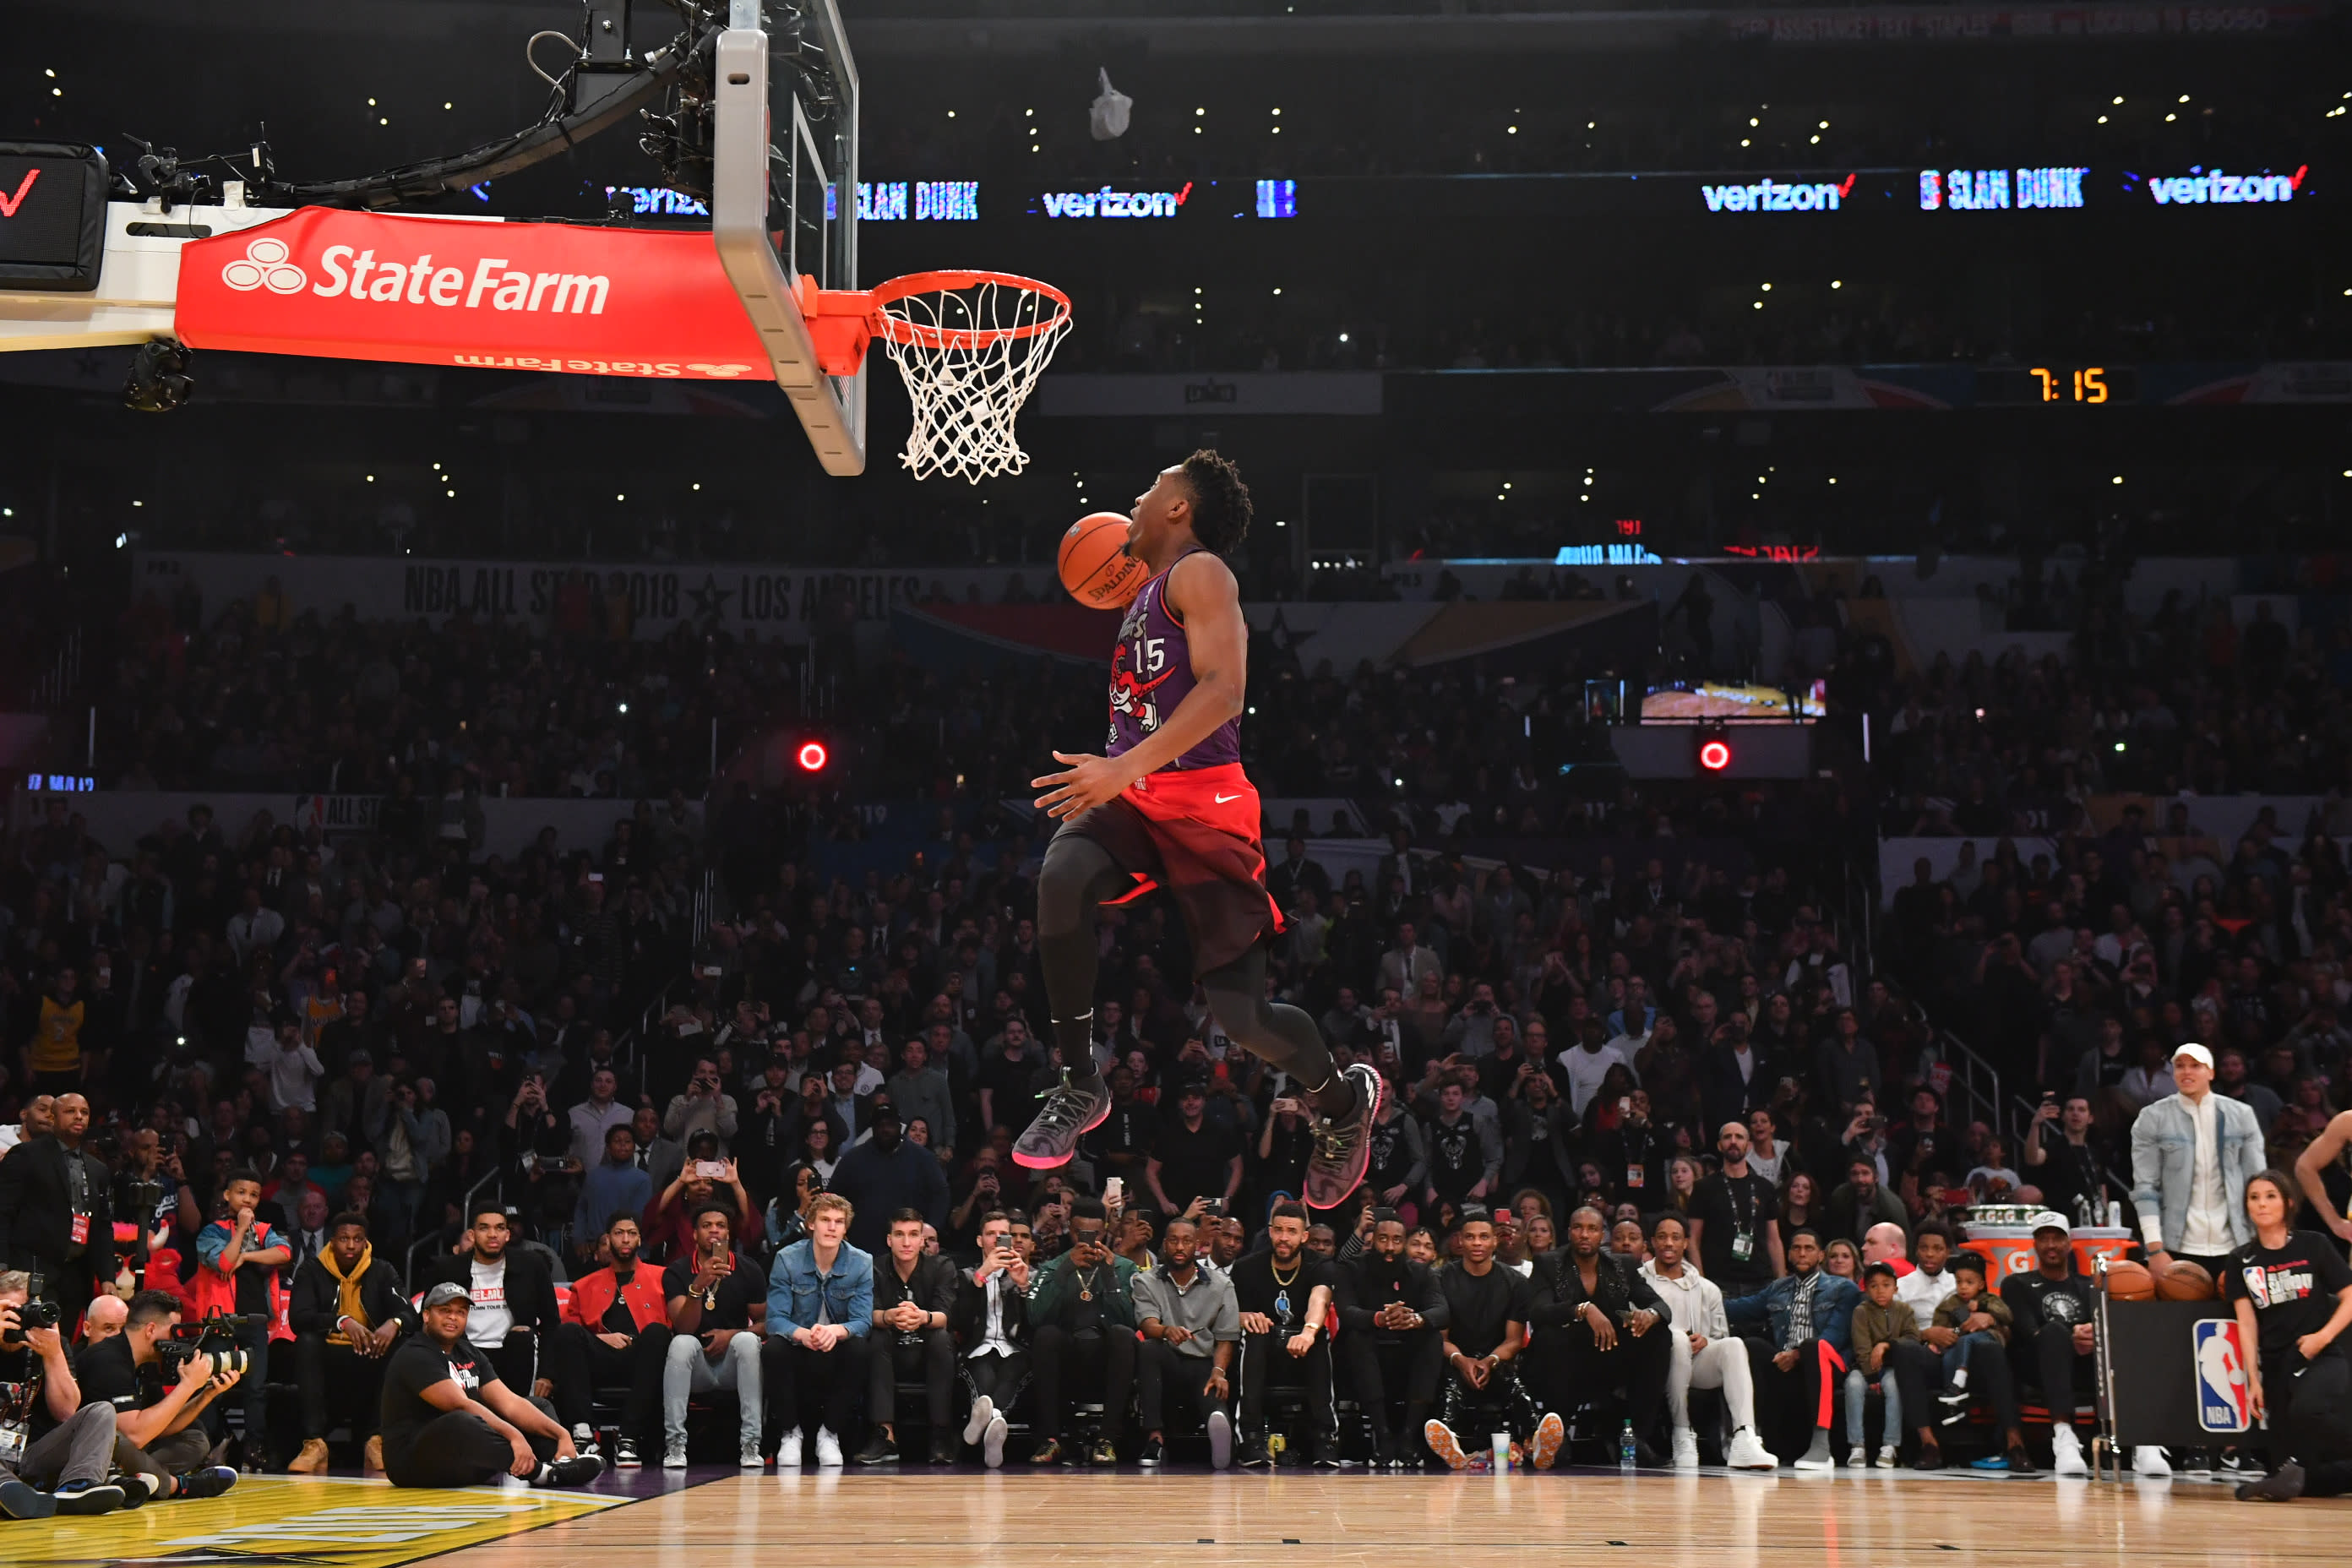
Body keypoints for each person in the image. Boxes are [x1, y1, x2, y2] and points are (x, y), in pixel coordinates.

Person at [1009, 454, 1384, 1213]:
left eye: (1153, 488)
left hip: (1204, 807)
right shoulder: (1141, 592)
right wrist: (1123, 774)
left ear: (1180, 510)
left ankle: (1342, 1105)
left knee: (1242, 1017)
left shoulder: (1203, 572)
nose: (1139, 496)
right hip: (1137, 795)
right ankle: (1081, 1081)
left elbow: (1225, 692)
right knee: (1060, 879)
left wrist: (1122, 768)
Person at [374, 1281, 602, 1489]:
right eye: (444, 1311)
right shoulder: (416, 1354)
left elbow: (510, 1403)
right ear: (426, 1315)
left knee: (537, 1406)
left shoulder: (468, 1352)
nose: (453, 1318)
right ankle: (538, 1472)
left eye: (460, 1312)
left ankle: (557, 1463)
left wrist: (562, 1434)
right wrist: (515, 1436)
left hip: (463, 1462)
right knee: (462, 1419)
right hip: (414, 1466)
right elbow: (459, 1405)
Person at [2225, 1169, 2352, 1502]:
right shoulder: (2241, 1259)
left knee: (2307, 1411)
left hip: (2321, 1356)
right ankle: (2284, 1482)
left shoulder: (2314, 1245)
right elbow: (2247, 1324)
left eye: (2270, 1196)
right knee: (2287, 1469)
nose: (2262, 1204)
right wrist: (2253, 1379)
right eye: (2254, 1198)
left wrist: (2322, 1337)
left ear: (2288, 1203)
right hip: (2278, 1365)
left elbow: (2351, 1297)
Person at [1528, 1205, 1668, 1468]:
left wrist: (1650, 1314)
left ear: (1602, 1235)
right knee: (1548, 1336)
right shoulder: (1549, 1263)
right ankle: (1556, 1437)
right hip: (1564, 1361)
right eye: (1579, 1228)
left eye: (1592, 1229)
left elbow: (1660, 1306)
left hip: (1610, 1358)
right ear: (1569, 1232)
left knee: (1659, 1334)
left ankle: (1637, 1436)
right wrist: (1583, 1309)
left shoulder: (1621, 1265)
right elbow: (1538, 1313)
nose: (1584, 1234)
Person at [71, 1288, 242, 1497]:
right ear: (151, 1330)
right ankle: (178, 1486)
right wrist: (186, 1386)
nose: (176, 1339)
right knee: (119, 1440)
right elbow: (135, 1437)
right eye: (173, 1331)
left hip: (124, 1450)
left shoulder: (145, 1360)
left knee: (195, 1440)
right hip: (83, 1452)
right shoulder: (106, 1359)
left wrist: (206, 1394)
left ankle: (129, 1480)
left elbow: (162, 1425)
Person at [286, 1211, 416, 1475]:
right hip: (328, 1354)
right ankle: (315, 1443)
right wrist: (341, 1321)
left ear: (366, 1241)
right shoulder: (312, 1269)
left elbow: (409, 1314)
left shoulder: (382, 1270)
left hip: (371, 1354)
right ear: (332, 1241)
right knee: (306, 1341)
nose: (351, 1245)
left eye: (358, 1239)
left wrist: (395, 1323)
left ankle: (376, 1440)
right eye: (344, 1238)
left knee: (401, 1343)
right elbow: (299, 1319)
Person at [1642, 1214, 1776, 1470]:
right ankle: (1682, 1433)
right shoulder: (1639, 1281)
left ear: (1685, 1243)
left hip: (1696, 1363)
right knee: (1678, 1339)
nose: (1668, 1243)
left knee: (1734, 1344)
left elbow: (1720, 1336)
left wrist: (1706, 1340)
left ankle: (1743, 1436)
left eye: (1676, 1237)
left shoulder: (1708, 1288)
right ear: (1652, 1243)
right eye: (1662, 1237)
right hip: (1655, 1365)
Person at [2132, 1043, 2266, 1282]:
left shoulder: (2241, 1115)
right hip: (2176, 1246)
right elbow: (2145, 1188)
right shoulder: (2152, 1117)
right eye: (2180, 1066)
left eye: (2196, 1066)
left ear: (2211, 1073)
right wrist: (2154, 1249)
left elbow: (2258, 1184)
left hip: (2237, 1242)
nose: (2187, 1072)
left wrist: (2264, 1241)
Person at [548, 1211, 672, 1467]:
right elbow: (572, 1332)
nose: (625, 1239)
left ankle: (628, 1437)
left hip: (644, 1358)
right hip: (599, 1360)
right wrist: (603, 1338)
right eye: (619, 1233)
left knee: (658, 1333)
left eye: (632, 1233)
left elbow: (674, 1324)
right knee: (568, 1333)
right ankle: (583, 1434)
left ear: (640, 1240)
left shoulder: (663, 1277)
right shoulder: (584, 1285)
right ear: (608, 1239)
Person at [1726, 1228, 1857, 1471]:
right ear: (1789, 1254)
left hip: (1827, 1364)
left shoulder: (1842, 1289)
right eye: (1796, 1248)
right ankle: (1750, 1437)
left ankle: (1821, 1445)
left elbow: (1835, 1336)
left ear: (1820, 1256)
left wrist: (1796, 1354)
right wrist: (1704, 1296)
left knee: (1813, 1346)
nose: (1802, 1253)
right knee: (1751, 1347)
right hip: (1787, 1361)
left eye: (1809, 1249)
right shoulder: (1778, 1288)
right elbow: (1739, 1308)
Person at [1023, 1195, 1136, 1467]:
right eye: (1081, 1232)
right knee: (1046, 1335)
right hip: (1067, 1359)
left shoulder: (1124, 1267)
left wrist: (1109, 1276)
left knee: (1123, 1334)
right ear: (1071, 1230)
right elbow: (1035, 1317)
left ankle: (1107, 1440)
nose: (1087, 1239)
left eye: (1095, 1233)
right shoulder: (1052, 1267)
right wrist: (1065, 1270)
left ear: (1105, 1231)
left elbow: (1131, 1320)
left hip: (1107, 1359)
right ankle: (1051, 1439)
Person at [1424, 1208, 1542, 1470]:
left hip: (1497, 1360)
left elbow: (1514, 1340)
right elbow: (1440, 1337)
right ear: (1459, 1241)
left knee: (1514, 1383)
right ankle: (1449, 1443)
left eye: (1484, 1237)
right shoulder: (1440, 1278)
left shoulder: (1515, 1282)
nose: (1477, 1243)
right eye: (1470, 1237)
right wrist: (1461, 1360)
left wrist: (1489, 1361)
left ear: (1495, 1240)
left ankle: (1536, 1440)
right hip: (1453, 1359)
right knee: (1451, 1385)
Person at [0, 1271, 125, 1514]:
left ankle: (76, 1487)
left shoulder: (53, 1343)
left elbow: (66, 1412)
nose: (19, 1319)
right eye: (11, 1311)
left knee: (101, 1411)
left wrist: (53, 1354)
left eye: (25, 1311)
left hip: (30, 1453)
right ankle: (9, 1492)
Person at [762, 1190, 871, 1467]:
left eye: (838, 1221)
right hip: (800, 1345)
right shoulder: (787, 1259)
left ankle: (829, 1434)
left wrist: (835, 1331)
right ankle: (790, 1433)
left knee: (860, 1347)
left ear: (846, 1228)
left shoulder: (861, 1262)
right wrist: (804, 1334)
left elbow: (863, 1321)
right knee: (774, 1346)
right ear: (811, 1223)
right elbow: (775, 1319)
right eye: (825, 1220)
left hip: (836, 1348)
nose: (832, 1227)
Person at [189, 1165, 288, 1470]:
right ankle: (214, 1442)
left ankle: (253, 1445)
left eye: (254, 1195)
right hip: (221, 1320)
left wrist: (247, 1255)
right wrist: (242, 1232)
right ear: (227, 1195)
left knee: (256, 1388)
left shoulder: (265, 1231)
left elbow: (284, 1253)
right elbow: (223, 1261)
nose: (248, 1200)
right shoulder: (212, 1231)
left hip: (255, 1319)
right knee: (214, 1385)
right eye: (242, 1193)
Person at [1337, 1208, 1449, 1469]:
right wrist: (1379, 1318)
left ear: (1404, 1242)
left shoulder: (1420, 1272)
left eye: (1397, 1240)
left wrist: (1415, 1319)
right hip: (1366, 1353)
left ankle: (1409, 1437)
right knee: (1356, 1336)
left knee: (1432, 1339)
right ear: (1373, 1240)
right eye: (1383, 1239)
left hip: (1406, 1355)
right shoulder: (1353, 1268)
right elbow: (1347, 1311)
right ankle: (1383, 1437)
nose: (1389, 1246)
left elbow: (1441, 1310)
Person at [0, 1092, 117, 1341]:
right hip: (31, 1269)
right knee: (27, 1346)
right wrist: (2, 1264)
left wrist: (107, 1277)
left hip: (75, 1275)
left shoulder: (98, 1170)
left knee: (62, 1348)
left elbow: (103, 1227)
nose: (79, 1117)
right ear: (53, 1117)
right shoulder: (26, 1155)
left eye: (84, 1112)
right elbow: (3, 1212)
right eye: (70, 1111)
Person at [1232, 1200, 1338, 1467]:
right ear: (1270, 1231)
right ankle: (1250, 1438)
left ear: (1304, 1236)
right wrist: (1242, 1317)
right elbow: (1227, 1314)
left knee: (1320, 1336)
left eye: (1291, 1232)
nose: (1283, 1238)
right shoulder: (1246, 1267)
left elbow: (1320, 1301)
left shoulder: (1320, 1265)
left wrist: (1309, 1331)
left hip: (1303, 1353)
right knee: (1253, 1333)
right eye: (1278, 1230)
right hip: (1260, 1353)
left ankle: (1324, 1438)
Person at [417, 1202, 561, 1397]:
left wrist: (547, 1375)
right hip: (464, 1351)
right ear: (472, 1235)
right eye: (484, 1228)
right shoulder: (447, 1268)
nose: (493, 1234)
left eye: (500, 1228)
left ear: (507, 1235)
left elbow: (551, 1322)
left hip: (513, 1353)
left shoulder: (532, 1265)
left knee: (523, 1337)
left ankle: (519, 1414)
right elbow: (425, 1321)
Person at [1130, 1214, 1239, 1469]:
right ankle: (1155, 1439)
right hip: (1167, 1361)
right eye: (1174, 1241)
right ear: (1165, 1244)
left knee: (1212, 1386)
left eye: (1187, 1241)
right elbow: (1147, 1322)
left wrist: (1219, 1371)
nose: (1180, 1247)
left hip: (1203, 1361)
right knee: (1148, 1349)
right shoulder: (1146, 1280)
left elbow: (1225, 1338)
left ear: (1198, 1244)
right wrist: (1167, 1331)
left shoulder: (1222, 1285)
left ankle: (1221, 1433)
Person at [855, 1207, 959, 1467]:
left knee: (940, 1336)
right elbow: (867, 1314)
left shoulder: (941, 1266)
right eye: (899, 1234)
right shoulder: (874, 1268)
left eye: (913, 1234)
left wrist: (923, 1317)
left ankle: (940, 1434)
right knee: (876, 1337)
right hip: (890, 1351)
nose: (906, 1241)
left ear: (922, 1240)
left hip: (928, 1351)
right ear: (889, 1239)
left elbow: (945, 1314)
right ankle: (885, 1436)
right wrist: (889, 1316)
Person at [663, 1203, 762, 1468]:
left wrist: (732, 1334)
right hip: (697, 1368)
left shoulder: (748, 1268)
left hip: (733, 1365)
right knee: (682, 1342)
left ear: (729, 1233)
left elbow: (769, 1323)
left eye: (721, 1226)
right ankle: (675, 1445)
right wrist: (697, 1287)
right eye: (707, 1226)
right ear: (694, 1234)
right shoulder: (677, 1271)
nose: (714, 1231)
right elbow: (683, 1326)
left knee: (748, 1340)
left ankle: (751, 1444)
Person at [1996, 1211, 2094, 1476]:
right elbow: (2031, 1333)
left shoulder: (2090, 1286)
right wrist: (2071, 1337)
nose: (2051, 1245)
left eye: (2057, 1238)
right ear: (2034, 1244)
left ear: (2070, 1243)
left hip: (2085, 1366)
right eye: (2044, 1239)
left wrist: (2095, 1334)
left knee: (2113, 1336)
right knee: (2053, 1332)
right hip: (2036, 1367)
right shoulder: (2017, 1283)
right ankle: (2063, 1438)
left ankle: (2143, 1441)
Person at [950, 1209, 1031, 1468]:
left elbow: (1034, 1326)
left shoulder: (1026, 1273)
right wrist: (980, 1278)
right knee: (983, 1374)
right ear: (979, 1240)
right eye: (990, 1234)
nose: (997, 1239)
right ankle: (993, 1426)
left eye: (1003, 1234)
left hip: (1015, 1350)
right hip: (978, 1349)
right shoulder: (964, 1275)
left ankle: (987, 1422)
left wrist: (1023, 1288)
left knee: (1014, 1369)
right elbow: (958, 1321)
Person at [1686, 1120, 1784, 1301]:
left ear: (1748, 1146)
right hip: (1718, 1282)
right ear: (1719, 1145)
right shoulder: (1703, 1187)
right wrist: (1700, 1282)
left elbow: (1774, 1239)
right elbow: (1692, 1239)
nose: (1733, 1141)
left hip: (1761, 1281)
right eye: (1727, 1137)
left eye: (1739, 1137)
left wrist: (1781, 1283)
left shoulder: (1765, 1187)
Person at [1847, 1261, 1919, 1467]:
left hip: (1893, 1365)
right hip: (1864, 1368)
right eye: (1874, 1285)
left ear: (1895, 1288)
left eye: (1886, 1285)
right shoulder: (1861, 1311)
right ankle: (1857, 1445)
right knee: (1852, 1384)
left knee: (1894, 1385)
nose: (1880, 1290)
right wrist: (1871, 1377)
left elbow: (1913, 1338)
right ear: (1866, 1289)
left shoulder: (1904, 1310)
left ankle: (1890, 1446)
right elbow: (1861, 1347)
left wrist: (1887, 1345)